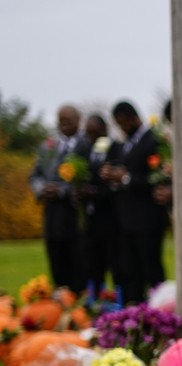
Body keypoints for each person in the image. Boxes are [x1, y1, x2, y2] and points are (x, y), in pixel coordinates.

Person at [100, 101, 166, 303]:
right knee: (130, 270)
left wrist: (127, 178)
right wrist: (109, 176)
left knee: (151, 267)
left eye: (123, 123)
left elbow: (157, 179)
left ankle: (160, 309)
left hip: (148, 218)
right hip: (124, 219)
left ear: (133, 118)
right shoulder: (120, 145)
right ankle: (133, 310)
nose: (121, 128)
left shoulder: (153, 141)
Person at [28, 105, 87, 292]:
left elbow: (87, 178)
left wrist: (61, 191)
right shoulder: (48, 146)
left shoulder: (85, 145)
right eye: (61, 121)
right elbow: (34, 175)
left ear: (78, 120)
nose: (64, 125)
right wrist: (42, 189)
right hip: (52, 216)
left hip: (75, 215)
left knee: (77, 263)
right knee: (56, 259)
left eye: (68, 121)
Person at [77, 114, 119, 294]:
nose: (90, 137)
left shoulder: (115, 148)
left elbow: (115, 186)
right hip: (90, 219)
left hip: (110, 218)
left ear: (104, 130)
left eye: (94, 133)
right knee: (92, 262)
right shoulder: (85, 151)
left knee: (115, 262)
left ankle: (119, 299)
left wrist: (94, 192)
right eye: (87, 134)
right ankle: (95, 298)